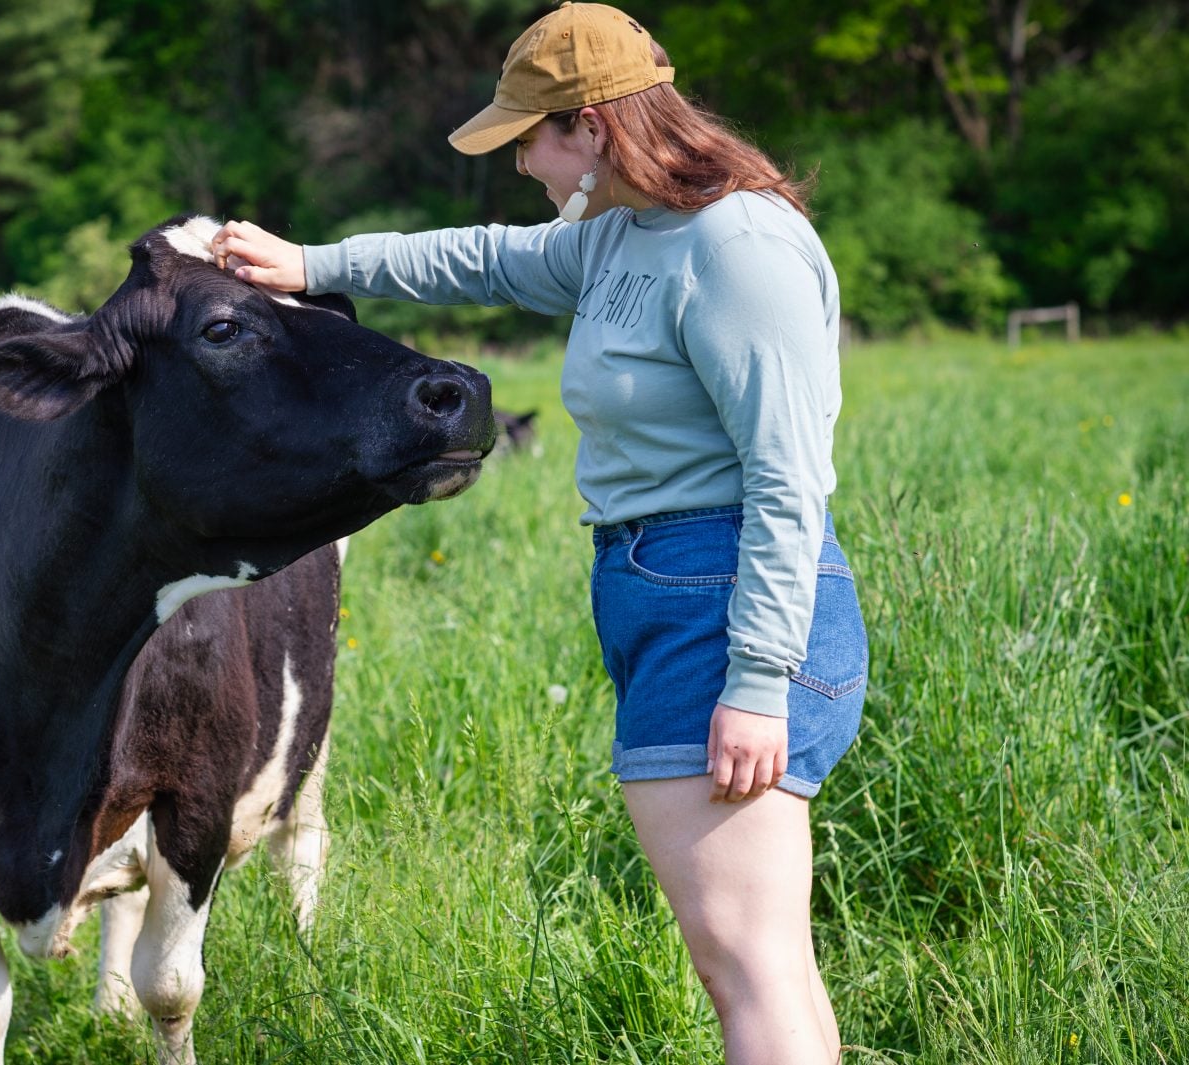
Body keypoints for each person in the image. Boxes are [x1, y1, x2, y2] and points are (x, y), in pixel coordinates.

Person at [212, 4, 866, 1062]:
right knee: (759, 963)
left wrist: (755, 682)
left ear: (596, 126)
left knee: (747, 966)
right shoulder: (622, 233)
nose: (520, 163)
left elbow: (788, 482)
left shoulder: (736, 247)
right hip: (665, 592)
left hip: (730, 602)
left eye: (531, 136)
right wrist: (312, 265)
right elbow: (478, 260)